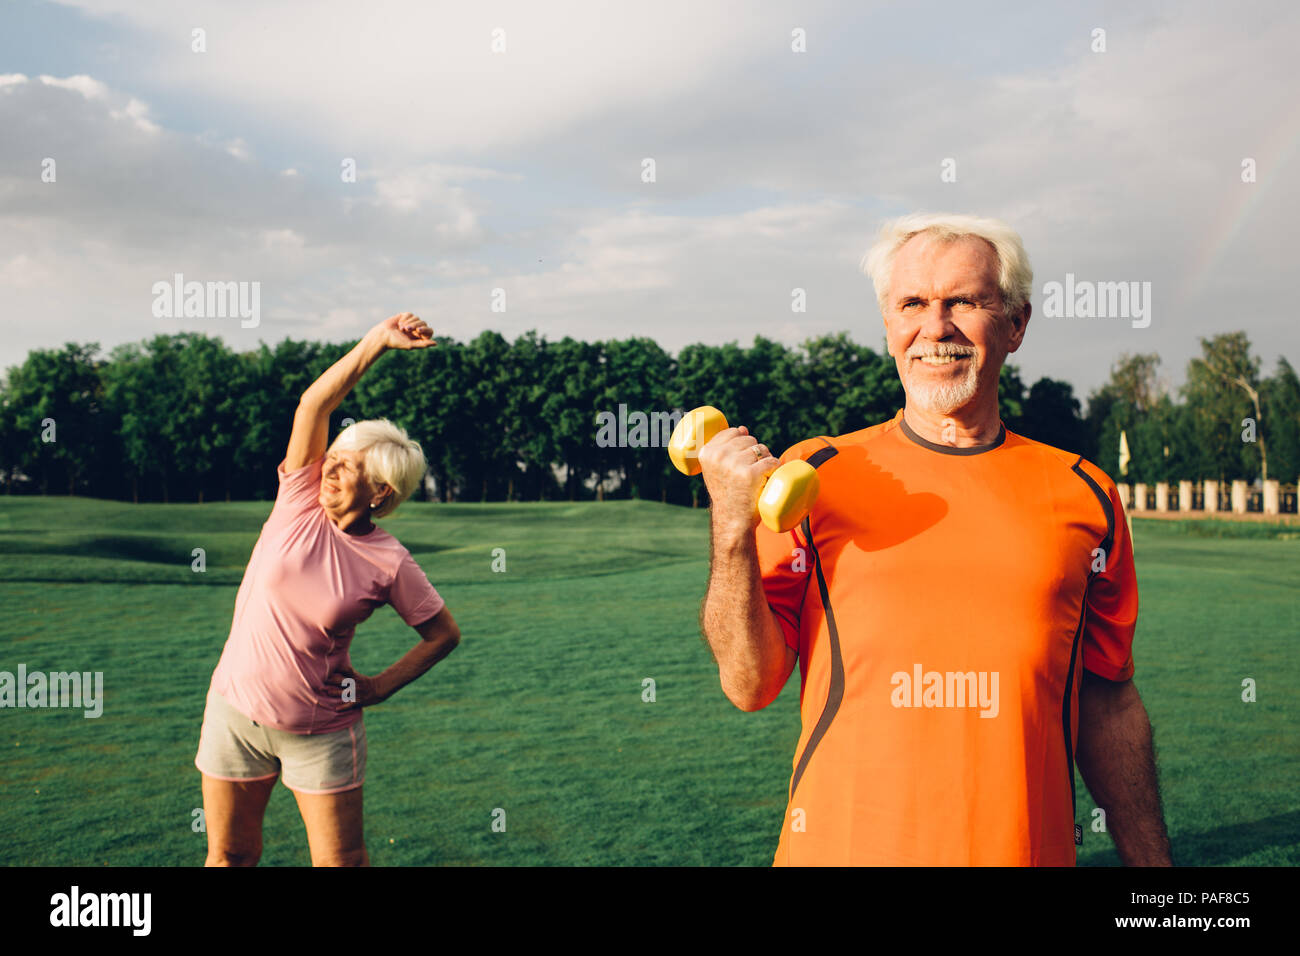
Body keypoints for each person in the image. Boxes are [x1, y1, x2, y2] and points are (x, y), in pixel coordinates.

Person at [698, 214, 1173, 865]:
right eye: (912, 304)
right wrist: (731, 533)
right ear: (890, 326)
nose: (936, 327)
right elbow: (750, 684)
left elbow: (1109, 699)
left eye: (964, 302)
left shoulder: (1086, 493)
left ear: (1016, 323)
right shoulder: (812, 477)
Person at [195, 312, 461, 866]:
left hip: (320, 732)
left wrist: (381, 686)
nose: (328, 473)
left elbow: (442, 634)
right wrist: (377, 343)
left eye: (346, 469)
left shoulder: (389, 561)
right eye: (331, 460)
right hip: (233, 714)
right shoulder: (297, 499)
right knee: (227, 857)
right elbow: (314, 405)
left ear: (381, 493)